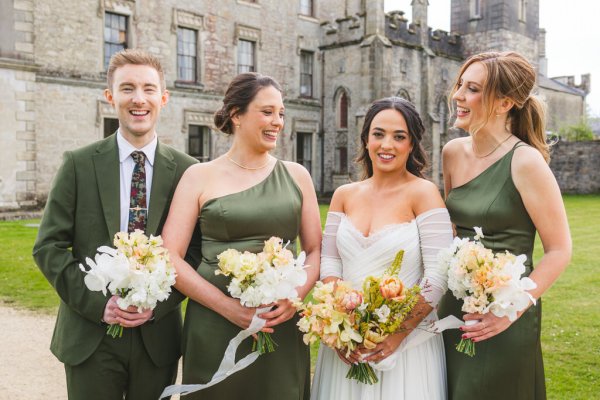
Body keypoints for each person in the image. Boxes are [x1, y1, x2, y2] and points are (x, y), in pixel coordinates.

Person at [32, 49, 200, 400]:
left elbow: (196, 252)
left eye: (149, 89)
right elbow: (48, 246)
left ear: (163, 98)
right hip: (90, 337)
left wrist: (160, 303)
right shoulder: (78, 164)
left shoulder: (188, 171)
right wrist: (98, 305)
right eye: (127, 89)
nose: (139, 99)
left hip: (157, 339)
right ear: (110, 97)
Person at [160, 72, 321, 399]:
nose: (277, 121)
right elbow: (169, 255)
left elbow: (316, 250)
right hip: (213, 323)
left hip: (280, 323)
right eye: (267, 112)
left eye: (281, 113)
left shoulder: (297, 176)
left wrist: (294, 298)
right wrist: (228, 308)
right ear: (236, 115)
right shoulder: (198, 176)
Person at [437, 51, 572, 400]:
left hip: (505, 316)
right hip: (455, 309)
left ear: (504, 103)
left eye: (472, 89)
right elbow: (455, 231)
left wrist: (510, 311)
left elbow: (559, 250)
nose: (458, 96)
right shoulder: (452, 153)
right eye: (460, 86)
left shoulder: (526, 162)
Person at [312, 97, 453, 400]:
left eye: (399, 136)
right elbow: (330, 263)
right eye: (378, 134)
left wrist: (396, 335)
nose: (386, 144)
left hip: (406, 346)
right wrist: (341, 326)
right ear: (365, 139)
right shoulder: (343, 195)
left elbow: (438, 275)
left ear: (412, 144)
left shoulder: (424, 193)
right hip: (347, 342)